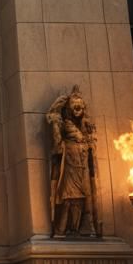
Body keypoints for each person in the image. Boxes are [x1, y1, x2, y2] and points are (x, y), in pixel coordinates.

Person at [46, 86, 98, 237]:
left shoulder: (86, 127)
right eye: (74, 105)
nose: (77, 109)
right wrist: (55, 114)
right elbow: (57, 141)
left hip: (84, 168)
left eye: (80, 105)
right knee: (68, 196)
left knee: (86, 197)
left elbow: (91, 145)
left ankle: (85, 228)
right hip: (69, 165)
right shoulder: (65, 124)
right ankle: (63, 229)